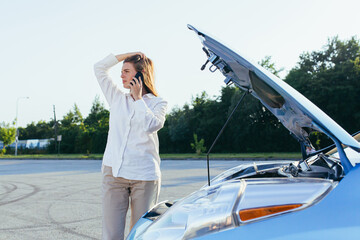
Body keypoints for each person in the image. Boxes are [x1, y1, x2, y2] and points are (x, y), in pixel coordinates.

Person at [94, 52, 167, 240]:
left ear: (140, 74)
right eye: (121, 71)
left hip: (144, 177)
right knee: (111, 235)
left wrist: (138, 100)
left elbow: (152, 125)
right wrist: (129, 54)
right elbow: (99, 68)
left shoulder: (159, 103)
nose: (121, 76)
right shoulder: (117, 98)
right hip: (114, 174)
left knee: (140, 234)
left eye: (126, 71)